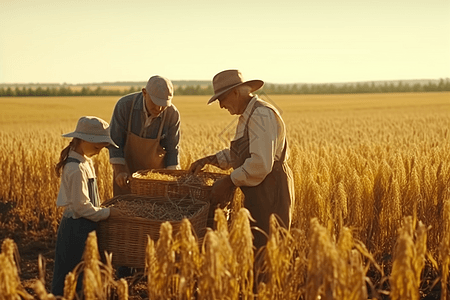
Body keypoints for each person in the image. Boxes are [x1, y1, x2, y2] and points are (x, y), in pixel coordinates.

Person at [189, 69, 295, 250]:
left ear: (236, 92)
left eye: (221, 99)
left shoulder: (261, 115)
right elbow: (242, 154)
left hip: (272, 189)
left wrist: (229, 181)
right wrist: (210, 159)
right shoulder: (248, 115)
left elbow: (260, 164)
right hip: (260, 190)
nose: (221, 106)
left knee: (268, 250)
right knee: (257, 248)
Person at [51, 116, 123, 296]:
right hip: (75, 229)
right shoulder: (75, 169)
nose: (99, 151)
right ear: (83, 140)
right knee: (70, 275)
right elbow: (81, 207)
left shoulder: (85, 162)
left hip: (87, 226)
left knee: (84, 275)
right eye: (97, 147)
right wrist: (108, 213)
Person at [109, 75, 181, 196]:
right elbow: (115, 141)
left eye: (164, 104)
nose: (159, 108)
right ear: (144, 93)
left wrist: (171, 180)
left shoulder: (172, 114)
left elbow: (172, 149)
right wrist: (120, 171)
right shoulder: (124, 106)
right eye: (155, 102)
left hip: (155, 180)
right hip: (126, 174)